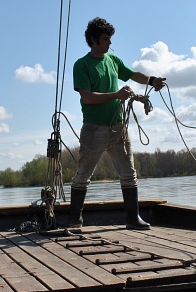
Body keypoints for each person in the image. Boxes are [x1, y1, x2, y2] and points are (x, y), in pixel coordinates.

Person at [68, 17, 166, 230]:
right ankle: (76, 219)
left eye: (110, 39)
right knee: (83, 174)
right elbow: (87, 97)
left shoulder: (112, 60)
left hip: (118, 128)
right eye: (105, 39)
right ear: (93, 40)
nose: (109, 43)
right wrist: (116, 95)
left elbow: (132, 74)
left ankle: (133, 219)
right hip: (94, 128)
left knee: (129, 172)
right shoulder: (82, 65)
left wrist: (151, 80)